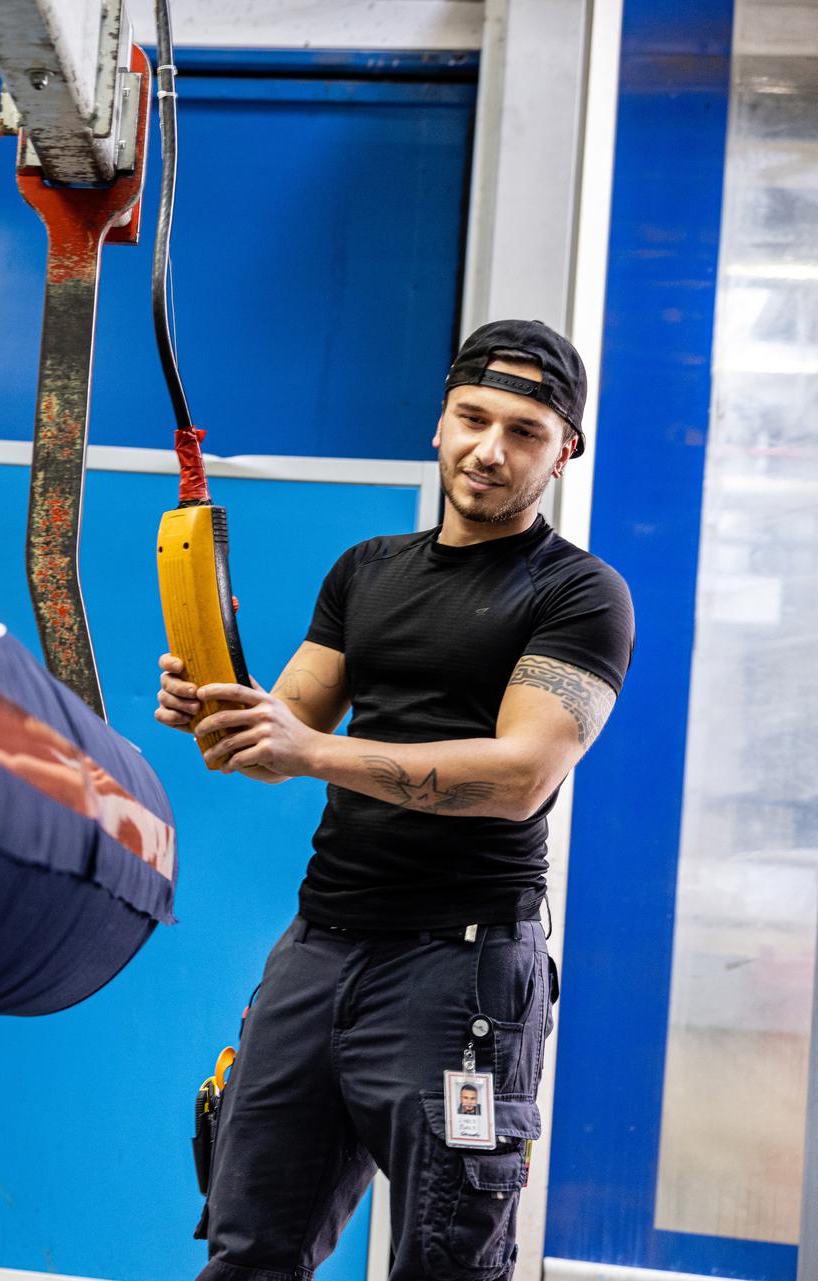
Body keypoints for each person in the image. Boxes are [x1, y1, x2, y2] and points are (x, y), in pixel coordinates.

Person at [155, 320, 634, 1281]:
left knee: (446, 1262)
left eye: (526, 432)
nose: (489, 450)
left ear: (565, 450)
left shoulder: (580, 594)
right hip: (318, 950)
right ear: (439, 422)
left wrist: (313, 749)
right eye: (472, 417)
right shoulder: (367, 569)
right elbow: (278, 737)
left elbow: (520, 776)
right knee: (247, 1245)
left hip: (460, 975)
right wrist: (220, 710)